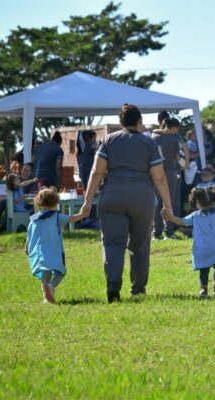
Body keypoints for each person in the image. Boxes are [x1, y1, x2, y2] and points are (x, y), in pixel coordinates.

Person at [81, 104, 174, 303]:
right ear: (139, 121)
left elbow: (97, 172)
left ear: (121, 122)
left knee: (113, 243)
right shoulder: (148, 144)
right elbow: (159, 177)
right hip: (142, 197)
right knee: (140, 245)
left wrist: (87, 200)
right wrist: (168, 204)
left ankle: (113, 287)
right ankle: (138, 289)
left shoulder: (107, 140)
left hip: (112, 196)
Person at [168, 187, 215, 298]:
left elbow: (182, 221)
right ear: (212, 199)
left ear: (197, 201)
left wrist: (170, 217)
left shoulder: (195, 216)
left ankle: (203, 289)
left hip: (202, 249)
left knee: (204, 269)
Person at [25, 188, 88, 304]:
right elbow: (71, 219)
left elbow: (29, 235)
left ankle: (46, 297)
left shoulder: (33, 219)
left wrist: (27, 248)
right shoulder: (56, 216)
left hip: (41, 254)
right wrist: (82, 214)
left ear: (38, 202)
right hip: (54, 251)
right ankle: (52, 286)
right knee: (61, 272)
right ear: (55, 202)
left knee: (45, 275)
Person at [151, 117, 190, 240]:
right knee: (169, 202)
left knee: (157, 203)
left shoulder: (153, 136)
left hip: (155, 171)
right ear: (174, 128)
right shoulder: (174, 138)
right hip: (169, 171)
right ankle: (169, 231)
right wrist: (184, 164)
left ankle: (156, 233)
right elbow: (178, 156)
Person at [0, 166, 38, 232]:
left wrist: (32, 180)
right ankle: (33, 225)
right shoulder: (15, 190)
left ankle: (2, 226)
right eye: (17, 179)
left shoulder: (17, 187)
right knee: (34, 208)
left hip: (19, 206)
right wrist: (23, 197)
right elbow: (16, 201)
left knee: (32, 207)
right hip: (20, 207)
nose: (19, 180)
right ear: (13, 182)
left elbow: (24, 183)